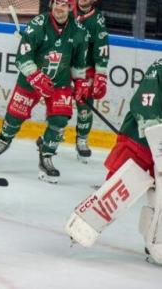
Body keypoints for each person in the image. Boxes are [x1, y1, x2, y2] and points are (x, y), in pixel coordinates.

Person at [0, 0, 89, 183]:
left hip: (60, 82)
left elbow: (79, 64)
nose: (59, 8)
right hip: (31, 81)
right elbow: (22, 56)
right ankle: (4, 140)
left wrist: (81, 83)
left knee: (59, 121)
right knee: (15, 115)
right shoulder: (38, 25)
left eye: (64, 5)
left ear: (71, 8)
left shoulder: (80, 32)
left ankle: (46, 155)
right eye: (56, 3)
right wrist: (35, 76)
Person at [67, 59, 162, 264]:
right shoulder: (159, 67)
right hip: (139, 140)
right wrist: (156, 135)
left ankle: (154, 242)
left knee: (159, 197)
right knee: (117, 184)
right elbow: (145, 101)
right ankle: (85, 222)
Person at [72, 0, 109, 162]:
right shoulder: (66, 7)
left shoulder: (97, 21)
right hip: (62, 65)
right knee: (57, 104)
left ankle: (82, 140)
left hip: (84, 68)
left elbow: (101, 51)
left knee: (85, 107)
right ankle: (52, 135)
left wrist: (100, 76)